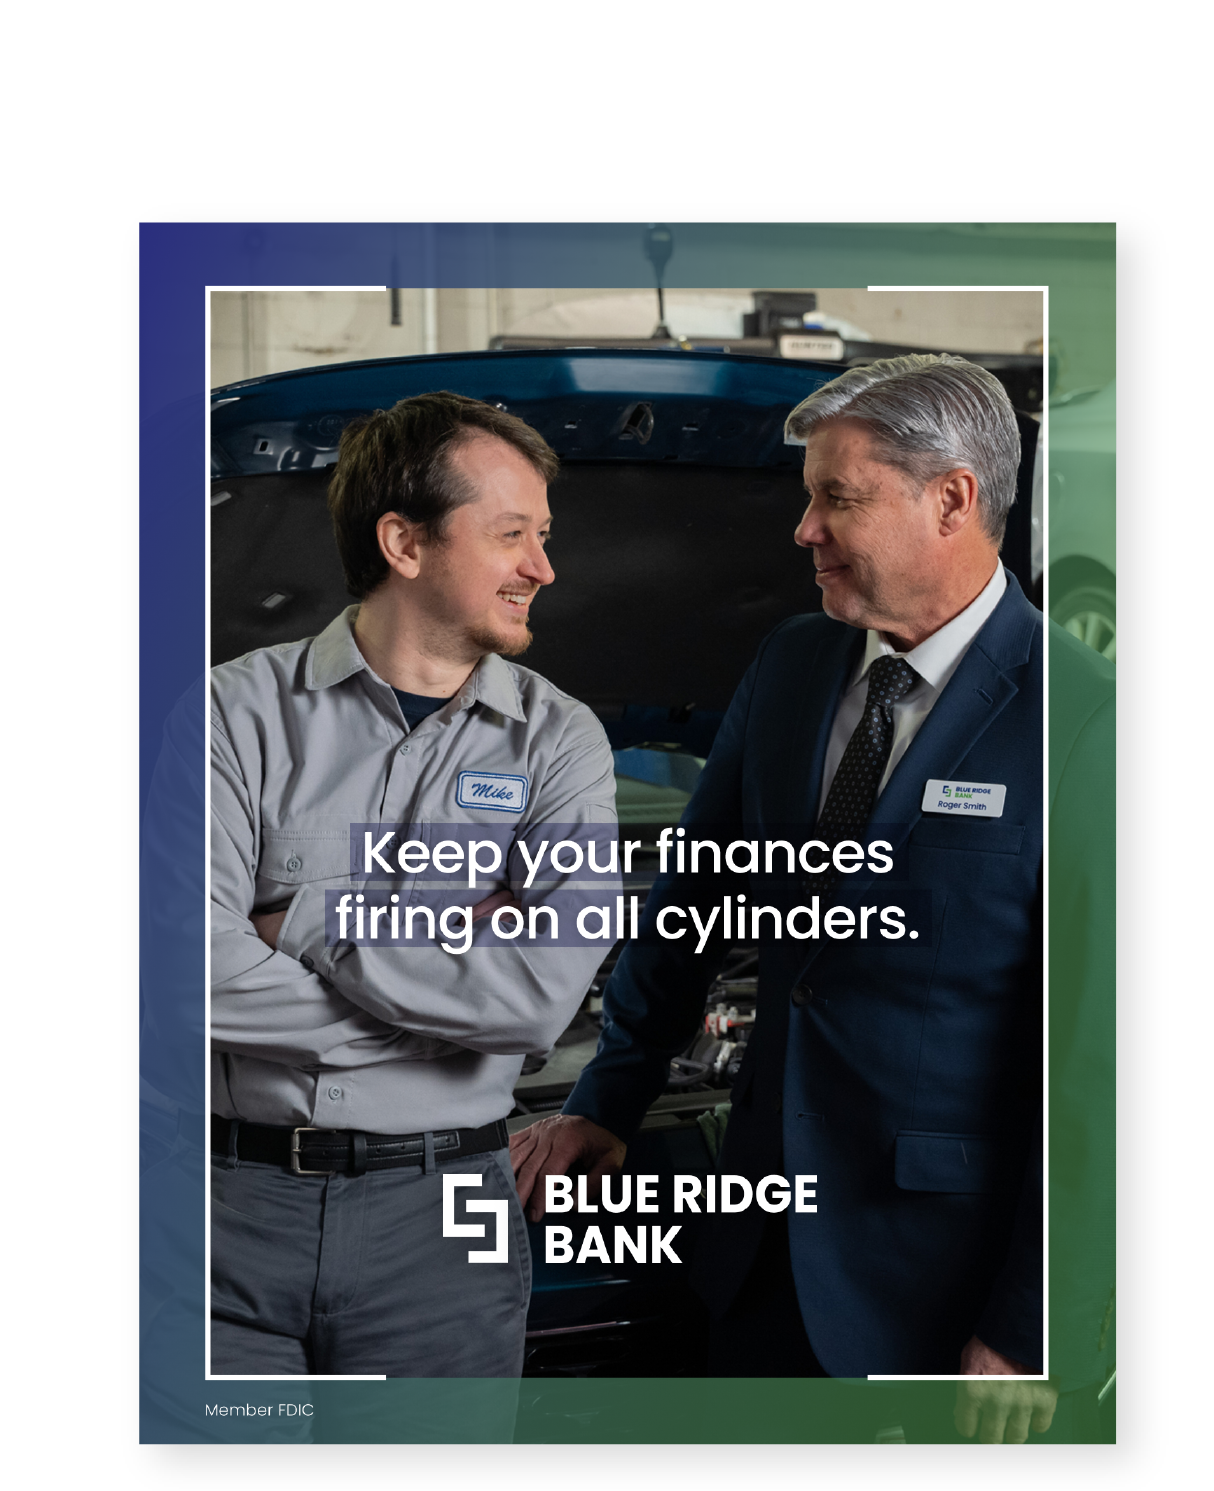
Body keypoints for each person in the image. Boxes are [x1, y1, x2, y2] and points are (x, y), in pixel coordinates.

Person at [512, 354, 1066, 1431]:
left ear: (950, 497)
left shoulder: (1073, 717)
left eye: (835, 497)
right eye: (805, 495)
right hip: (758, 1253)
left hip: (937, 1288)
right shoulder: (794, 661)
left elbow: (1088, 1071)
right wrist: (605, 1099)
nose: (801, 530)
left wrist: (1031, 1320)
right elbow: (693, 899)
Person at [210, 391, 616, 1378]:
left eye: (544, 536)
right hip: (222, 1216)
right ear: (404, 542)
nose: (543, 568)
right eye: (513, 534)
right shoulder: (232, 714)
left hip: (452, 1213)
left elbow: (533, 996)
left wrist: (304, 919)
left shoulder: (562, 742)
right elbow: (183, 967)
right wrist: (444, 1012)